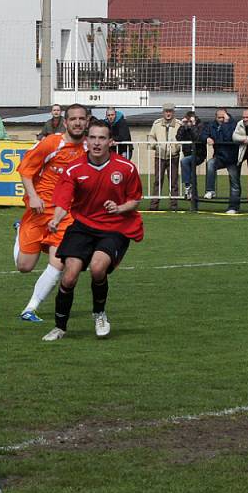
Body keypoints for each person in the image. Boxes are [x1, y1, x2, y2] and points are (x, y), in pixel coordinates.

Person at [42, 119, 144, 341]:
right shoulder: (74, 169)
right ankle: (59, 327)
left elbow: (135, 200)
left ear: (111, 141)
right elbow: (63, 201)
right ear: (86, 141)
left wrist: (119, 208)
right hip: (83, 227)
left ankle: (99, 313)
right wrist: (56, 219)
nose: (97, 143)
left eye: (102, 138)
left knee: (98, 268)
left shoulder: (126, 168)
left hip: (115, 227)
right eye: (93, 138)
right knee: (69, 277)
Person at [13, 104, 89, 323]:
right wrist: (33, 196)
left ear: (87, 121)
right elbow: (25, 169)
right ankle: (20, 230)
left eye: (81, 119)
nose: (77, 122)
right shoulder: (51, 143)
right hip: (39, 210)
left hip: (65, 214)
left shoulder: (89, 148)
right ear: (66, 122)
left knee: (59, 262)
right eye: (73, 119)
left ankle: (30, 309)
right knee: (24, 267)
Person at [203, 108, 241, 214]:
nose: (220, 119)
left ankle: (233, 207)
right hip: (219, 156)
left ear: (227, 116)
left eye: (222, 117)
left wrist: (226, 123)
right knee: (210, 163)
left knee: (234, 183)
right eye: (219, 117)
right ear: (215, 117)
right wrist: (206, 138)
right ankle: (210, 190)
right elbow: (203, 134)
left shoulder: (234, 124)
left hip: (232, 157)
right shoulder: (212, 125)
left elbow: (229, 136)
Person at [147, 103, 181, 211]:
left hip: (173, 156)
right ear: (163, 112)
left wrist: (177, 147)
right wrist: (155, 145)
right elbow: (151, 137)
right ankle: (154, 205)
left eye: (170, 111)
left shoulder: (179, 124)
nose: (168, 113)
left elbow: (182, 138)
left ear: (173, 112)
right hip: (159, 156)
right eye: (166, 111)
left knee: (174, 181)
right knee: (157, 181)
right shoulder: (156, 124)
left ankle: (174, 205)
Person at [176, 111, 207, 200]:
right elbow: (178, 138)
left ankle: (187, 186)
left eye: (190, 121)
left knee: (184, 161)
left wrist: (193, 126)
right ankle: (193, 197)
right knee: (192, 177)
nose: (188, 123)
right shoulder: (185, 127)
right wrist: (182, 125)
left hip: (198, 154)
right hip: (188, 154)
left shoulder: (200, 126)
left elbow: (197, 138)